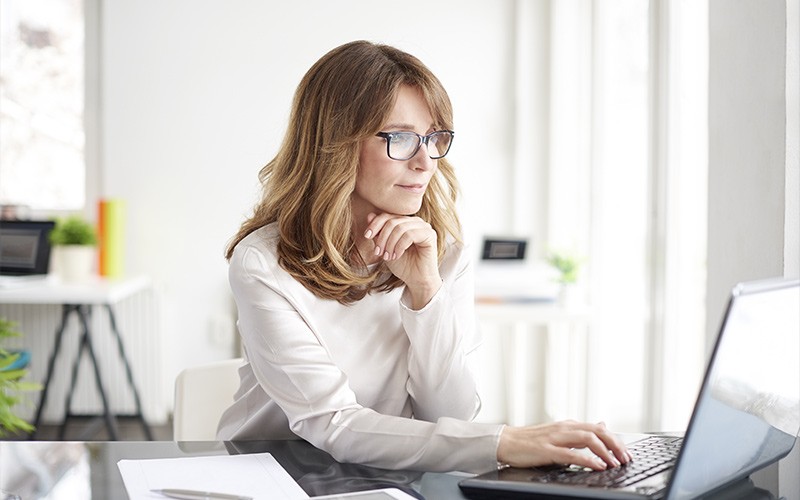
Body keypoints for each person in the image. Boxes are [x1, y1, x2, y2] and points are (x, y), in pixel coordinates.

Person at [218, 40, 631, 474]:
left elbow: (449, 416)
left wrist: (426, 292)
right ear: (335, 143)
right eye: (400, 138)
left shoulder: (444, 252)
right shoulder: (263, 264)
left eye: (433, 138)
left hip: (379, 475)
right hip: (266, 473)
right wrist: (505, 441)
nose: (425, 161)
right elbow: (334, 424)